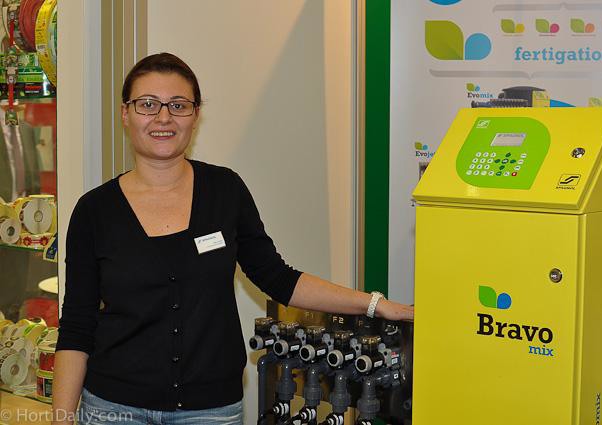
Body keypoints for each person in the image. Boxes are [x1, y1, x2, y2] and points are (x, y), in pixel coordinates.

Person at [52, 53, 414, 425]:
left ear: (195, 115)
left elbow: (279, 279)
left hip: (210, 410)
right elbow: (77, 325)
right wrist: (62, 418)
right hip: (114, 408)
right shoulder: (94, 211)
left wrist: (375, 305)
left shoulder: (225, 191)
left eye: (178, 105)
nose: (163, 117)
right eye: (147, 104)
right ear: (125, 114)